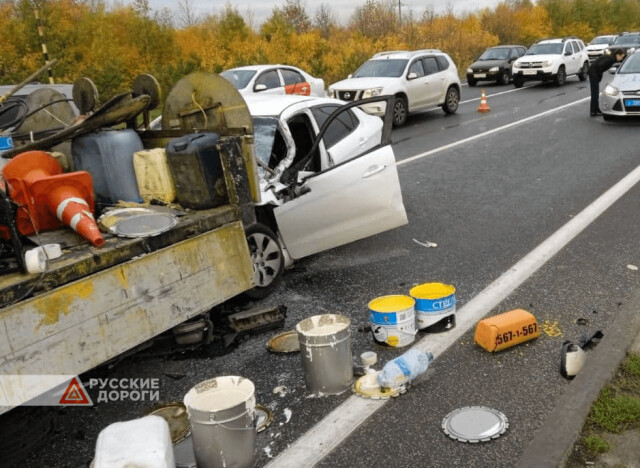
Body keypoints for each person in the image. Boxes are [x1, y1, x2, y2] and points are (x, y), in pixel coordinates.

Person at [588, 48, 625, 116]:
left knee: (596, 93)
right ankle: (593, 111)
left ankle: (596, 109)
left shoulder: (611, 58)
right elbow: (600, 67)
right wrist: (599, 77)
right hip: (593, 73)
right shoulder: (610, 59)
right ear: (618, 55)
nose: (622, 58)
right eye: (622, 56)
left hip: (594, 72)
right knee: (595, 93)